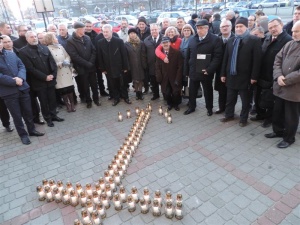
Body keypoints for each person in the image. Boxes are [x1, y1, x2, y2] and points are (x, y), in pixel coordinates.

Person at [0, 36, 45, 144]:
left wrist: (20, 78)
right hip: (9, 92)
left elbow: (21, 66)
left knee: (28, 112)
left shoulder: (11, 54)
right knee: (16, 115)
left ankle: (31, 130)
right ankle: (23, 135)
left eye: (0, 43)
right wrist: (13, 81)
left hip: (22, 88)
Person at [220, 17, 262, 127]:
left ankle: (243, 118)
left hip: (246, 77)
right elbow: (226, 58)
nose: (238, 28)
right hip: (231, 75)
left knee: (245, 100)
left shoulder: (254, 40)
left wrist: (254, 76)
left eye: (241, 26)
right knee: (230, 98)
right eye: (237, 26)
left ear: (246, 27)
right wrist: (223, 74)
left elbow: (257, 61)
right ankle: (229, 115)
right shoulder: (231, 40)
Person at [264, 21, 300, 148]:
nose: (293, 33)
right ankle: (278, 131)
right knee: (277, 111)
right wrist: (278, 76)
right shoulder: (290, 44)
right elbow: (277, 60)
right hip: (280, 86)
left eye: (297, 31)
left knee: (291, 116)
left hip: (293, 90)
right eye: (293, 31)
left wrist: (286, 79)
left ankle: (289, 138)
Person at [251, 19, 292, 128]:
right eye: (270, 28)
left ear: (281, 25)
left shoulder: (288, 41)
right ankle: (260, 114)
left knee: (270, 100)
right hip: (261, 74)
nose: (273, 29)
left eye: (275, 26)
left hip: (274, 75)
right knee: (258, 96)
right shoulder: (267, 37)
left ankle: (269, 118)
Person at [19, 31, 64, 127]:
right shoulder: (23, 52)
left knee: (52, 99)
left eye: (35, 36)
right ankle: (48, 118)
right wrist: (44, 77)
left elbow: (52, 62)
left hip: (51, 80)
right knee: (44, 101)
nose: (34, 38)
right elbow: (30, 68)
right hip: (39, 82)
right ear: (27, 39)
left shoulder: (44, 48)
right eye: (31, 37)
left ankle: (54, 115)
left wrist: (53, 75)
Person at [184, 19, 223, 116]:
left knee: (208, 91)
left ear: (207, 28)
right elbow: (188, 55)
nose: (199, 30)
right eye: (197, 28)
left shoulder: (215, 39)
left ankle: (209, 108)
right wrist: (186, 71)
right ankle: (192, 107)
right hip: (193, 71)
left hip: (206, 72)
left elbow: (217, 57)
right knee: (192, 91)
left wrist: (209, 69)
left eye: (201, 28)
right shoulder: (193, 39)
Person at [66, 22, 100, 108]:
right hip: (81, 68)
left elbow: (93, 50)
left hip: (91, 67)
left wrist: (91, 62)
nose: (85, 30)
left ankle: (96, 99)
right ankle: (88, 101)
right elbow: (74, 56)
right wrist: (87, 63)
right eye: (83, 29)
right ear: (78, 30)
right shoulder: (70, 41)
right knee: (85, 86)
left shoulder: (87, 38)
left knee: (94, 84)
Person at [97, 24, 131, 106]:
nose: (105, 33)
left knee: (122, 83)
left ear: (111, 32)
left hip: (119, 67)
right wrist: (102, 69)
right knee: (112, 84)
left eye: (107, 32)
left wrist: (125, 67)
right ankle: (116, 98)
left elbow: (124, 55)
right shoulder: (100, 42)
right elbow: (99, 57)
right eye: (104, 32)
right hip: (108, 68)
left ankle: (125, 97)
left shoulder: (119, 41)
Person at [44, 32, 76, 113]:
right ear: (51, 39)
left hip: (66, 70)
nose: (57, 39)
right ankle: (67, 105)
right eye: (55, 37)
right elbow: (50, 62)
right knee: (63, 89)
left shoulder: (60, 47)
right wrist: (60, 64)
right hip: (58, 72)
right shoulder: (47, 49)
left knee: (70, 88)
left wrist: (67, 61)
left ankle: (72, 104)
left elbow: (67, 55)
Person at [156, 37, 183, 111]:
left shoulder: (177, 53)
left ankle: (176, 104)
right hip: (164, 77)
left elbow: (180, 67)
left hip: (174, 76)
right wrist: (159, 77)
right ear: (161, 44)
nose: (165, 44)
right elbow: (157, 66)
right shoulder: (160, 54)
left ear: (170, 43)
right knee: (167, 92)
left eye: (167, 42)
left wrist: (178, 78)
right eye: (164, 43)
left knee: (175, 92)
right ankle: (169, 104)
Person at [214, 19, 234, 114]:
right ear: (220, 28)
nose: (225, 28)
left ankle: (229, 110)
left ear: (231, 27)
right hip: (219, 69)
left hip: (231, 69)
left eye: (227, 26)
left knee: (230, 91)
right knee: (221, 90)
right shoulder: (216, 39)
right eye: (222, 27)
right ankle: (221, 107)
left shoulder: (235, 39)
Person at [125, 28, 147, 100]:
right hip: (132, 65)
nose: (132, 34)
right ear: (129, 35)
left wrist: (144, 65)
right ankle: (137, 93)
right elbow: (126, 56)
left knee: (140, 79)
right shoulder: (126, 44)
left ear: (136, 34)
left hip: (140, 64)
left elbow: (143, 54)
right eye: (131, 33)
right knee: (135, 80)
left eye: (134, 33)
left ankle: (140, 92)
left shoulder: (141, 43)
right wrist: (127, 66)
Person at [144, 24, 162, 101]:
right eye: (152, 30)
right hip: (151, 65)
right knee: (153, 82)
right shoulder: (146, 40)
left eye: (155, 29)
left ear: (159, 29)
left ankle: (165, 95)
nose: (154, 31)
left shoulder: (164, 38)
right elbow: (144, 54)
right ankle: (156, 94)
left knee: (163, 81)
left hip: (162, 65)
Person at [180, 24, 195, 92]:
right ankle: (186, 94)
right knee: (185, 82)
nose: (186, 32)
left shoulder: (193, 39)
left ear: (191, 31)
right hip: (183, 64)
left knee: (190, 83)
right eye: (185, 30)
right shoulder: (182, 40)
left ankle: (190, 99)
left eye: (188, 30)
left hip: (189, 65)